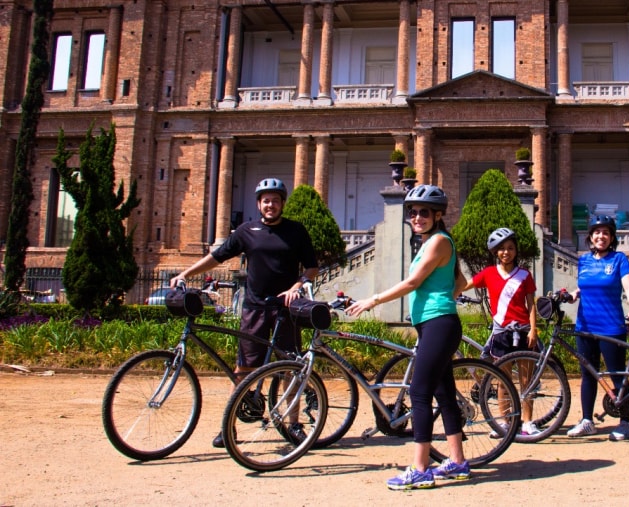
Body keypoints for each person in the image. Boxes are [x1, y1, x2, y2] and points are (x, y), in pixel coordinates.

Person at [170, 177, 318, 448]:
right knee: (243, 370)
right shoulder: (246, 231)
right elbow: (217, 257)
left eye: (275, 200)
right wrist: (186, 273)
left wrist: (297, 286)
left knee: (291, 370)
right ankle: (229, 428)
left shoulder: (296, 231)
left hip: (285, 310)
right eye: (265, 201)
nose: (270, 205)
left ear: (282, 203)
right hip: (254, 309)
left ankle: (293, 424)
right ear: (258, 204)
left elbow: (312, 267)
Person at [346, 184, 469, 490]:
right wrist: (446, 298)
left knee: (419, 393)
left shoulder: (438, 242)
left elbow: (413, 282)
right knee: (443, 394)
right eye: (412, 213)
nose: (416, 217)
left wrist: (373, 300)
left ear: (438, 215)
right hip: (436, 323)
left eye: (424, 213)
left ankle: (421, 468)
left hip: (439, 323)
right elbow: (462, 280)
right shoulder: (433, 242)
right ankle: (457, 462)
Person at [567, 215, 629, 441]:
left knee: (617, 374)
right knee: (588, 374)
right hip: (585, 326)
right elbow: (583, 288)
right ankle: (587, 421)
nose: (601, 236)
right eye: (597, 232)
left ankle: (626, 423)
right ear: (591, 236)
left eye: (606, 233)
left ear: (612, 238)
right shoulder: (584, 260)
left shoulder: (619, 259)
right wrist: (573, 295)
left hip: (611, 327)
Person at [460, 227, 540, 436]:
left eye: (510, 248)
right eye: (502, 249)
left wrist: (533, 329)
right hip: (501, 333)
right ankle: (505, 422)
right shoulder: (488, 273)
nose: (506, 252)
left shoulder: (524, 275)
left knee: (526, 380)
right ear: (495, 252)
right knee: (503, 381)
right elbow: (464, 286)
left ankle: (527, 422)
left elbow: (531, 304)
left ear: (516, 250)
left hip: (523, 331)